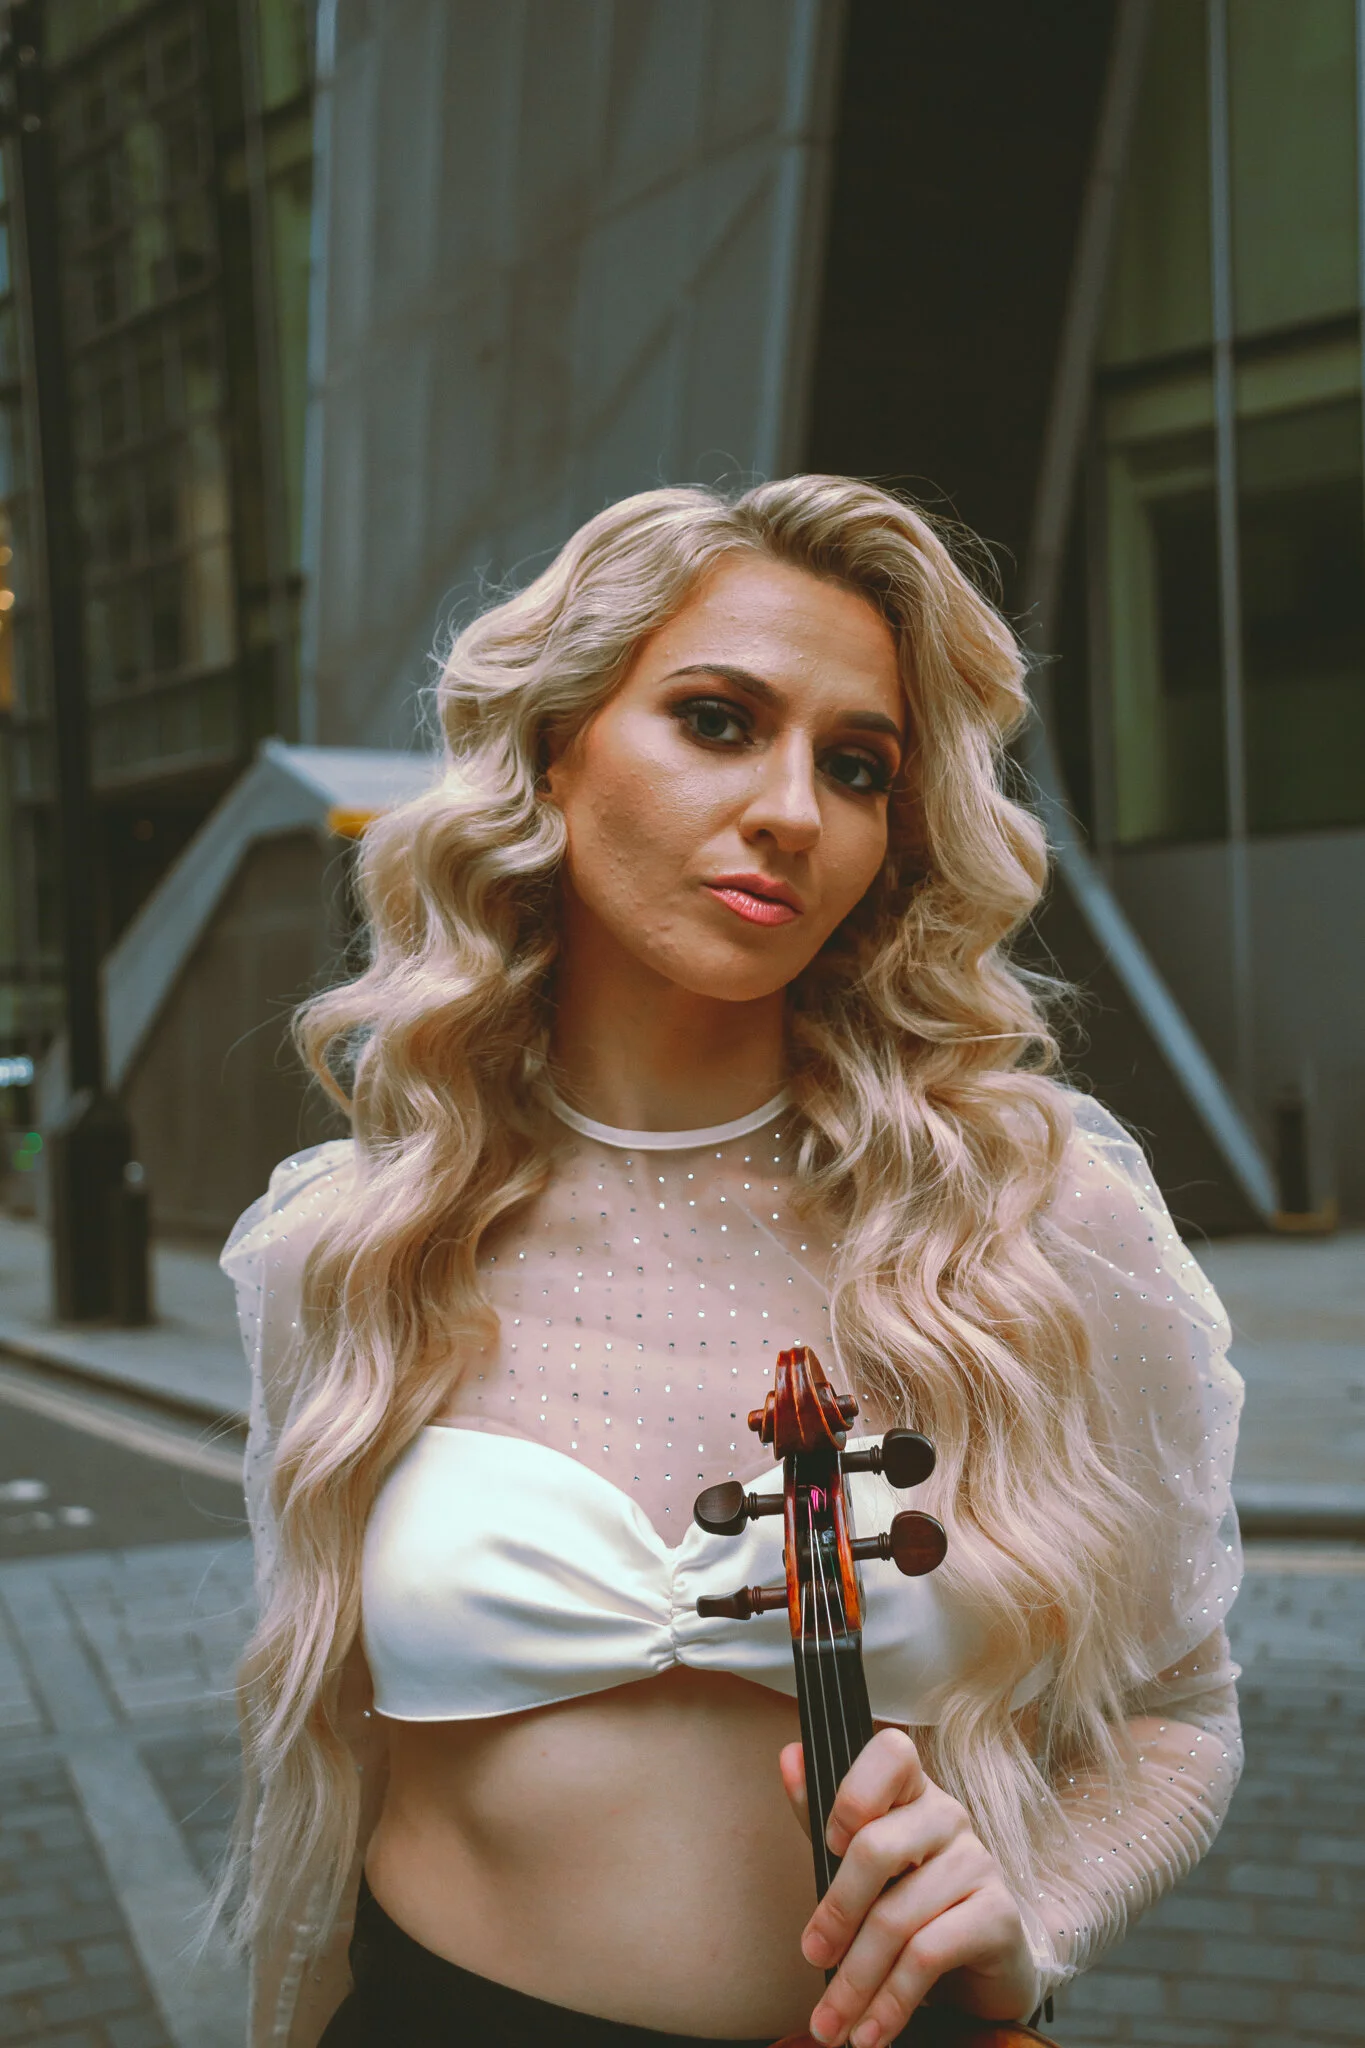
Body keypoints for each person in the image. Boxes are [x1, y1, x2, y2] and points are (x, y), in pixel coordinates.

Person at [219, 477, 1244, 2048]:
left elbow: (1179, 1712)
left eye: (855, 767)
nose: (793, 809)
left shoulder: (1029, 1228)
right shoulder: (352, 1248)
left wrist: (1037, 1908)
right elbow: (328, 1768)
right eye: (715, 720)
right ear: (556, 754)